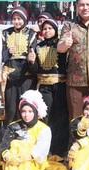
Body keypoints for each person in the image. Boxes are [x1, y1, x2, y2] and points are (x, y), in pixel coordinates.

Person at [0, 90, 66, 170]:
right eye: (24, 111)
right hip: (13, 162)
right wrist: (7, 155)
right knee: (15, 144)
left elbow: (41, 150)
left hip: (32, 162)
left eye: (30, 111)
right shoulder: (13, 126)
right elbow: (4, 145)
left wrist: (27, 156)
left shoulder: (44, 129)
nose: (26, 115)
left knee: (23, 145)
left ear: (36, 112)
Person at [27, 13, 68, 156]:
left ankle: (60, 149)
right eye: (44, 29)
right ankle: (46, 149)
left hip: (60, 85)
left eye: (50, 28)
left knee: (60, 117)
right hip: (44, 87)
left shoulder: (61, 46)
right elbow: (35, 70)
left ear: (56, 30)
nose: (47, 31)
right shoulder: (38, 46)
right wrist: (31, 62)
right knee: (46, 116)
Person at [1, 7, 37, 123]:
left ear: (25, 19)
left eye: (19, 19)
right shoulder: (6, 33)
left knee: (25, 105)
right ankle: (9, 133)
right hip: (10, 76)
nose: (17, 21)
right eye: (14, 19)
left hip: (26, 76)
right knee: (11, 108)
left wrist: (31, 59)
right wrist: (7, 52)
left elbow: (33, 52)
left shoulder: (31, 33)